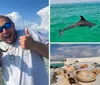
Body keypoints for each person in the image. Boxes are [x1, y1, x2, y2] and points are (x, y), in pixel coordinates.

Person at [0, 15, 49, 85]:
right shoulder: (1, 47)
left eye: (7, 25)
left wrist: (34, 44)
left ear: (13, 25)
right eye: (0, 29)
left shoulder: (29, 33)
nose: (5, 31)